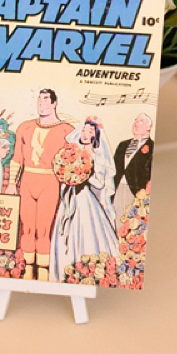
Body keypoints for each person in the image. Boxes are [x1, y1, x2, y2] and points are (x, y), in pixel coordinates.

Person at [7, 89, 74, 281]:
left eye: (46, 100)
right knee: (27, 228)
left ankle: (43, 275)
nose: (41, 104)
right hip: (27, 180)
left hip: (49, 182)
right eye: (39, 100)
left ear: (54, 103)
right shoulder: (25, 127)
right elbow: (17, 157)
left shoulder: (66, 130)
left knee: (43, 230)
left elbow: (72, 158)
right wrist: (12, 183)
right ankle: (27, 274)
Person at [51, 117, 117, 282]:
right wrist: (68, 173)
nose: (86, 134)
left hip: (85, 199)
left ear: (95, 135)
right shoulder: (72, 152)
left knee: (87, 232)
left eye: (90, 131)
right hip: (69, 196)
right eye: (84, 130)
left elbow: (100, 183)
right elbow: (63, 171)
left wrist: (85, 174)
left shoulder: (97, 156)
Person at [113, 113, 154, 211]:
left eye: (140, 121)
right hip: (118, 188)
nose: (136, 124)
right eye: (135, 121)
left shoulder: (153, 147)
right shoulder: (123, 145)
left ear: (148, 127)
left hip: (137, 192)